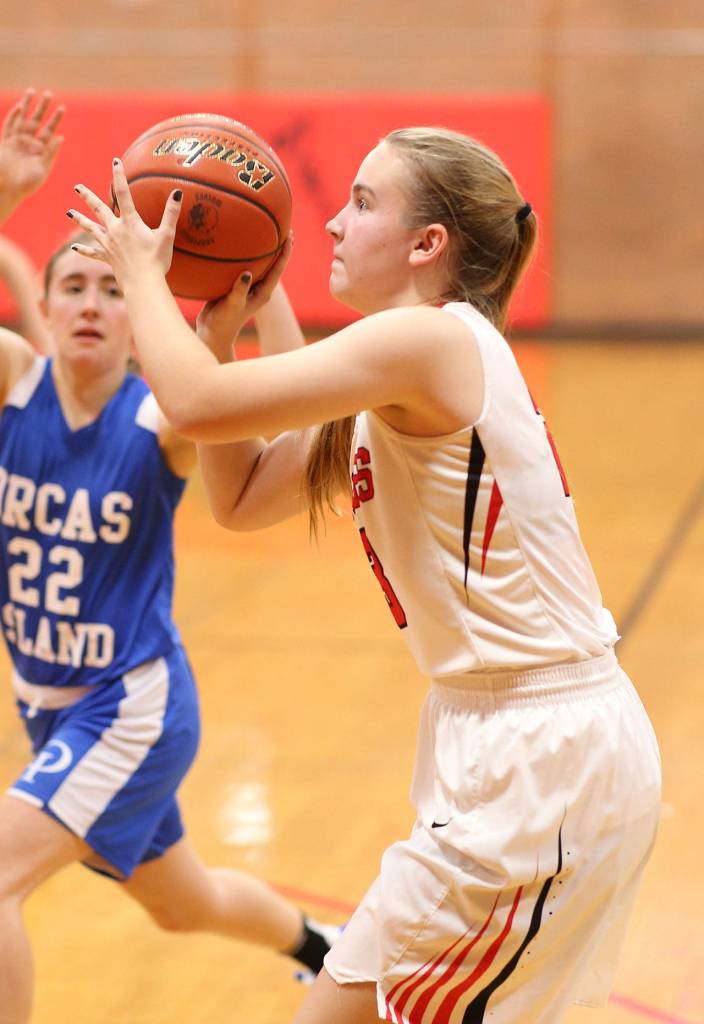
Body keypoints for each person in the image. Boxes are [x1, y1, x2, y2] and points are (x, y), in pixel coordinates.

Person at [72, 125, 662, 1024]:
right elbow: (240, 492)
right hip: (500, 746)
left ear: (429, 245)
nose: (334, 226)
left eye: (362, 202)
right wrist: (226, 327)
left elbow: (190, 402)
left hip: (544, 760)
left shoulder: (428, 346)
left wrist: (142, 268)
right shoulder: (400, 362)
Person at [0, 90, 338, 1024]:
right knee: (181, 903)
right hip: (51, 707)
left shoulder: (162, 412)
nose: (94, 305)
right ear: (44, 302)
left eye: (116, 287)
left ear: (142, 308)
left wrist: (262, 312)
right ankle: (324, 947)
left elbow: (290, 420)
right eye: (75, 285)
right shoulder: (13, 384)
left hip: (130, 706)